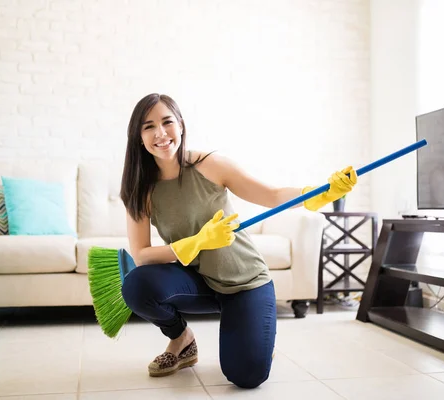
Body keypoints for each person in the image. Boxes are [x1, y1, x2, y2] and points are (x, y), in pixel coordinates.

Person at [119, 93, 357, 388]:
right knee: (137, 284)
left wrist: (321, 193)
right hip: (199, 281)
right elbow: (141, 255)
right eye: (149, 126)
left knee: (246, 375)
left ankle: (256, 336)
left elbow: (272, 195)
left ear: (180, 125)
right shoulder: (139, 188)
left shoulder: (209, 165)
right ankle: (181, 340)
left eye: (167, 122)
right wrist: (197, 242)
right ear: (138, 136)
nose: (161, 133)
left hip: (245, 282)